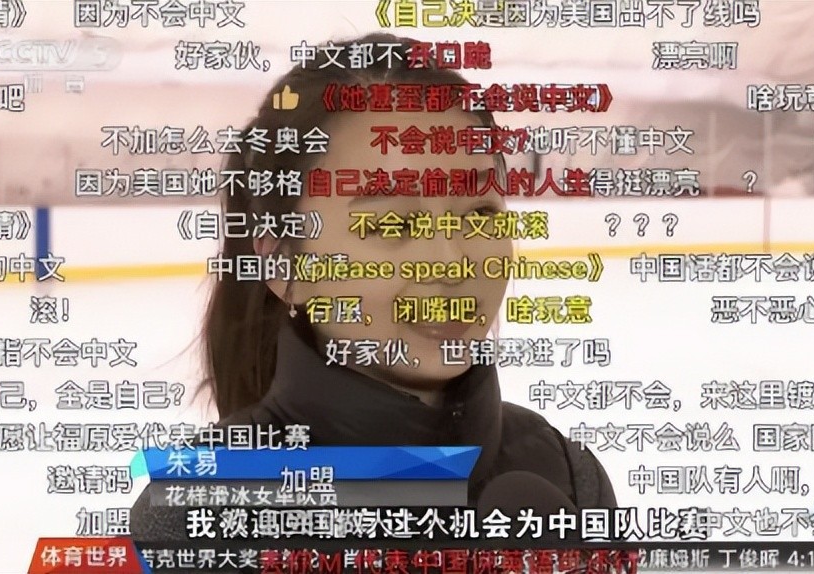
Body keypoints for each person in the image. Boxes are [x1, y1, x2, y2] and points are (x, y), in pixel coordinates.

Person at [131, 32, 615, 543]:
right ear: (282, 266)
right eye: (391, 225)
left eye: (478, 215)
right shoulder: (192, 516)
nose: (449, 263)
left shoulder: (569, 480)